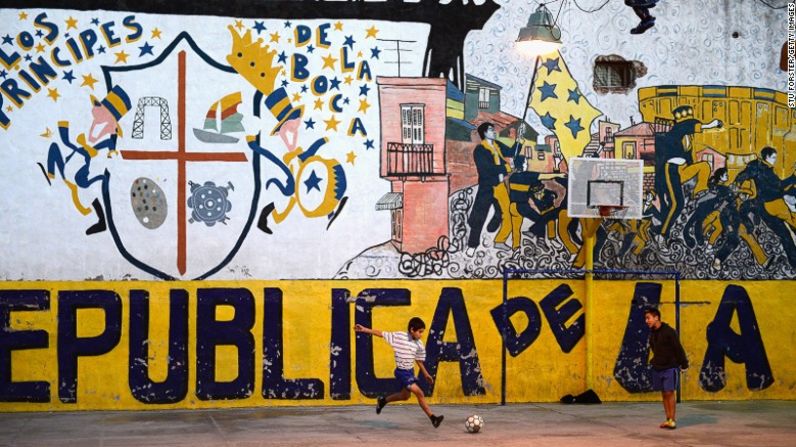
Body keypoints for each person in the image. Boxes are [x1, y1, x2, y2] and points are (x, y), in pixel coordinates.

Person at [354, 317, 444, 428]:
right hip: (402, 372)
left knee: (404, 396)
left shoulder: (419, 344)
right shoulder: (399, 337)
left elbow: (418, 360)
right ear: (412, 330)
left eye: (422, 332)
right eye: (420, 332)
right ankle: (433, 418)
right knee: (419, 392)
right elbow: (381, 333)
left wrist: (425, 374)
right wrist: (364, 330)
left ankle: (383, 401)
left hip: (410, 372)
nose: (421, 335)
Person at [466, 122, 519, 255]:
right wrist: (506, 167)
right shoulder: (480, 150)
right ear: (484, 133)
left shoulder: (498, 146)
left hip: (500, 185)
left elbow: (512, 151)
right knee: (479, 216)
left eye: (494, 130)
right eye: (491, 130)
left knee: (506, 213)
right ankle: (472, 246)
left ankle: (500, 240)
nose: (494, 132)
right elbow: (486, 169)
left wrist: (519, 139)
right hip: (487, 187)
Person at [644, 307, 688, 430]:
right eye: (646, 318)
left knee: (669, 392)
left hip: (670, 367)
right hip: (658, 367)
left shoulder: (669, 331)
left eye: (648, 318)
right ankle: (668, 419)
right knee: (664, 393)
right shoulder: (652, 333)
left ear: (656, 317)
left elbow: (678, 348)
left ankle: (672, 420)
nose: (647, 321)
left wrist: (683, 364)